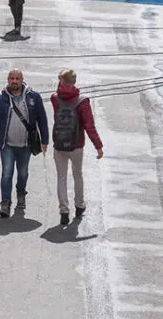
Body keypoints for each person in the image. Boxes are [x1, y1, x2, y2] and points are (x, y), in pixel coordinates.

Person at [0, 68, 48, 218]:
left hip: (25, 146)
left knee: (23, 173)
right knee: (7, 173)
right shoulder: (0, 99)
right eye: (12, 78)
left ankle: (21, 194)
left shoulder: (34, 97)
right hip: (7, 145)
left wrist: (45, 140)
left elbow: (42, 119)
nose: (14, 81)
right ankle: (5, 203)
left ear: (22, 80)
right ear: (8, 80)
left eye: (17, 78)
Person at [51, 69, 104, 226]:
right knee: (77, 175)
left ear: (61, 81)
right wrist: (98, 146)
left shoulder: (54, 98)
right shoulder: (82, 101)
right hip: (77, 145)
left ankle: (64, 211)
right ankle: (79, 205)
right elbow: (89, 126)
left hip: (59, 144)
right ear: (74, 82)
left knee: (61, 177)